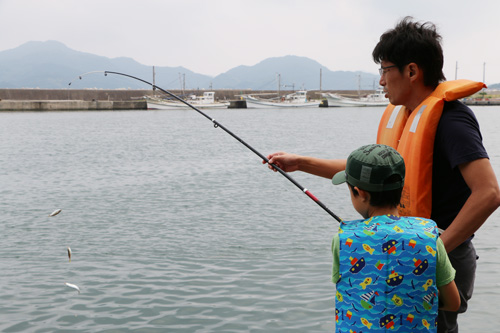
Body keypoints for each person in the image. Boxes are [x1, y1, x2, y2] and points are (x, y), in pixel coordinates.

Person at [265, 17, 500, 332]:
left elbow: (488, 192)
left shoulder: (453, 121)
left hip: (438, 251)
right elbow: (369, 171)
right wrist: (300, 163)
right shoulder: (405, 116)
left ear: (412, 71)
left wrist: (434, 249)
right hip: (402, 247)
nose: (381, 81)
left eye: (384, 70)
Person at [331, 143, 459, 332]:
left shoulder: (342, 240)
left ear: (360, 193)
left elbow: (349, 291)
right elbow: (453, 303)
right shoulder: (429, 238)